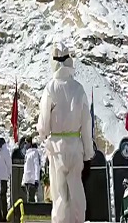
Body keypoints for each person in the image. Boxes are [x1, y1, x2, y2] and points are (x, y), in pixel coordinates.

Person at [37, 43, 94, 223]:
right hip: (75, 146)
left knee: (60, 193)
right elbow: (86, 123)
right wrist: (88, 151)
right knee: (76, 189)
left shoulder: (50, 89)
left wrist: (44, 134)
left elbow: (44, 124)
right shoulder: (79, 89)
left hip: (56, 147)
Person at [0, 134, 12, 215]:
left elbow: (9, 163)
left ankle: (4, 214)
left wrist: (9, 174)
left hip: (3, 177)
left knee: (3, 197)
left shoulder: (5, 151)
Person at [23, 138, 42, 202]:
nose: (25, 145)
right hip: (27, 180)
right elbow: (25, 168)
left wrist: (36, 179)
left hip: (32, 180)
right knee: (28, 198)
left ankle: (32, 211)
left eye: (26, 143)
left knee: (31, 199)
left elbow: (36, 166)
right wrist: (23, 180)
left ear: (29, 143)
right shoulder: (27, 154)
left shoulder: (34, 153)